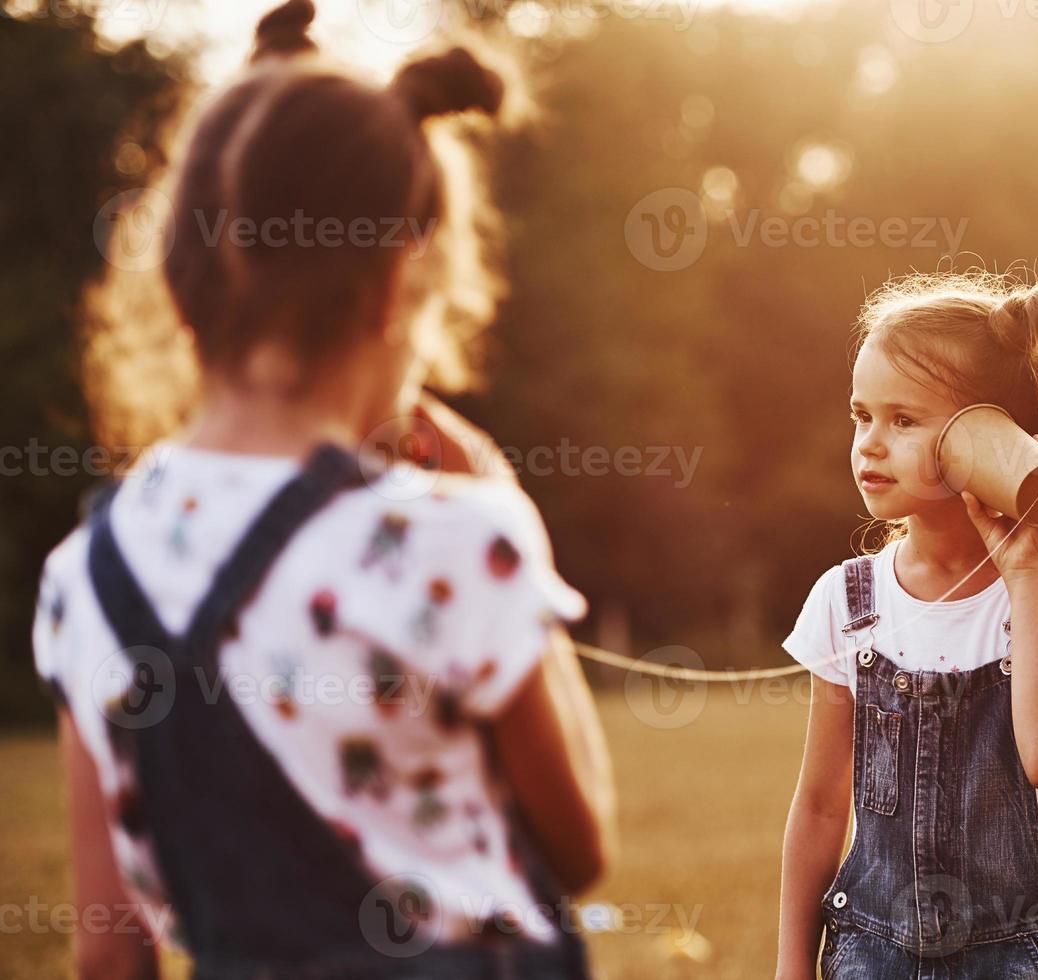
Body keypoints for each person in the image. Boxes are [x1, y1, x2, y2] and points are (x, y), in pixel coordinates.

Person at [31, 2, 614, 976]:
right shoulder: (460, 539)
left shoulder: (83, 576)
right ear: (397, 285)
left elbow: (108, 951)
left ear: (176, 282)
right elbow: (581, 848)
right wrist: (511, 513)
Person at [775, 273, 1038, 978]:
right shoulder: (847, 600)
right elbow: (820, 807)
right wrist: (793, 967)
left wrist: (1024, 574)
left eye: (903, 421)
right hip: (870, 955)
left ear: (988, 439)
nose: (870, 444)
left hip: (1020, 956)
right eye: (861, 416)